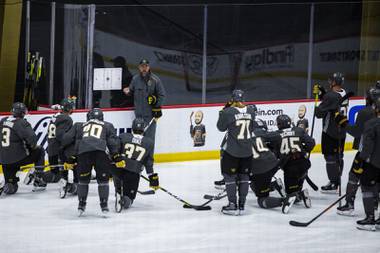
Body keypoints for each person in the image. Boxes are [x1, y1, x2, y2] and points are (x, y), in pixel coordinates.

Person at [63, 108, 120, 216]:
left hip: (84, 154)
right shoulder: (107, 125)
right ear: (102, 118)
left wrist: (72, 157)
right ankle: (104, 206)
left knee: (83, 181)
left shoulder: (80, 126)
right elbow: (112, 143)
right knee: (103, 181)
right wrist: (116, 156)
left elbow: (72, 142)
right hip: (100, 154)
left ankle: (81, 205)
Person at [337, 84, 379, 216]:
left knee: (354, 176)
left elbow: (356, 132)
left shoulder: (365, 112)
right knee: (376, 180)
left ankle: (349, 204)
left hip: (365, 152)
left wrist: (343, 122)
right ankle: (375, 203)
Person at [217, 89, 256, 215]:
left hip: (232, 152)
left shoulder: (228, 112)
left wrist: (224, 109)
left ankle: (232, 204)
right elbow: (252, 127)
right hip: (248, 151)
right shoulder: (251, 111)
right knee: (244, 177)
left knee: (230, 177)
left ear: (232, 100)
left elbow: (220, 127)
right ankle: (242, 205)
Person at [110, 117, 158, 211]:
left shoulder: (123, 136)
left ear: (132, 128)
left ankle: (119, 190)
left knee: (117, 174)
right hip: (133, 172)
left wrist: (110, 170)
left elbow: (115, 151)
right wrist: (152, 178)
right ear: (143, 128)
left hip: (118, 169)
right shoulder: (149, 143)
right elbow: (148, 162)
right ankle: (125, 200)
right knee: (129, 199)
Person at [250, 119, 296, 214]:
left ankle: (284, 201)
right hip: (274, 164)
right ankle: (274, 185)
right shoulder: (259, 132)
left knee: (262, 200)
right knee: (255, 182)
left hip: (260, 171)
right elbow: (277, 136)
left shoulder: (238, 138)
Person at [0, 102, 46, 194]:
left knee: (12, 187)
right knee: (40, 150)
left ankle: (8, 185)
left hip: (4, 161)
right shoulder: (21, 123)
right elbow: (32, 139)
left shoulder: (2, 121)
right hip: (18, 158)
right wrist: (32, 147)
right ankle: (38, 178)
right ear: (22, 113)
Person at [315, 72, 349, 193]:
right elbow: (332, 102)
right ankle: (337, 180)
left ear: (334, 82)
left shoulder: (331, 96)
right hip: (342, 130)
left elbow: (319, 113)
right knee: (339, 156)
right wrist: (323, 94)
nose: (330, 82)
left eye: (331, 81)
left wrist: (318, 102)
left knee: (329, 157)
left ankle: (334, 183)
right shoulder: (343, 92)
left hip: (330, 131)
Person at [123, 59, 166, 147]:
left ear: (149, 67)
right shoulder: (135, 79)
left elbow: (162, 95)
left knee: (149, 140)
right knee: (137, 140)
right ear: (139, 68)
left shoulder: (155, 80)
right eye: (142, 66)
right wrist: (127, 91)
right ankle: (139, 160)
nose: (144, 68)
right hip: (138, 116)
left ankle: (149, 160)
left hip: (150, 117)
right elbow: (130, 91)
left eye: (146, 66)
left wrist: (156, 105)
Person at [275, 114, 315, 207]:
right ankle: (300, 184)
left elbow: (275, 152)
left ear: (279, 124)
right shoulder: (299, 130)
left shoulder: (276, 135)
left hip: (290, 167)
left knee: (290, 195)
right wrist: (304, 150)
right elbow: (311, 142)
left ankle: (301, 194)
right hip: (304, 163)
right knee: (299, 175)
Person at [46, 98, 79, 198]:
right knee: (75, 160)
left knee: (56, 173)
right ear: (69, 108)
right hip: (58, 149)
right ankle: (74, 183)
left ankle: (41, 177)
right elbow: (61, 137)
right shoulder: (67, 118)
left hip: (51, 149)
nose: (73, 109)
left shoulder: (56, 116)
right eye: (72, 107)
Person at [356, 97, 380, 231]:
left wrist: (362, 159)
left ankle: (370, 218)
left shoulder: (371, 123)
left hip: (374, 164)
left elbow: (368, 146)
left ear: (376, 109)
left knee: (366, 188)